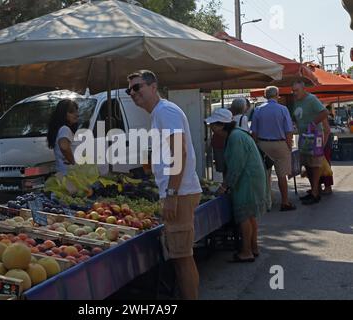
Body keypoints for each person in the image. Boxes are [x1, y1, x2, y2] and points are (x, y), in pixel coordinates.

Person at [127, 70, 202, 300]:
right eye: (129, 90)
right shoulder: (160, 113)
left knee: (182, 258)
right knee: (180, 258)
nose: (132, 93)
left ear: (153, 86)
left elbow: (179, 152)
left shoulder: (165, 111)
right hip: (179, 191)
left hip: (179, 193)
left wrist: (171, 194)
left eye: (137, 87)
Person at [206, 108, 268, 263]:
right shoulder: (237, 134)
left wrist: (225, 186)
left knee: (244, 216)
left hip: (247, 181)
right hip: (251, 178)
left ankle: (246, 251)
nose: (211, 128)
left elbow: (235, 166)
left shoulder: (235, 137)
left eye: (213, 125)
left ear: (221, 125)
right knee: (251, 215)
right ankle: (253, 248)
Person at [251, 86, 296, 211]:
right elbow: (288, 130)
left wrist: (255, 145)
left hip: (263, 144)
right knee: (282, 175)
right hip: (280, 144)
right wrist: (289, 145)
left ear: (265, 96)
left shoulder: (258, 110)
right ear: (277, 95)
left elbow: (254, 131)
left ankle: (266, 202)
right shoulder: (283, 109)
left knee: (265, 175)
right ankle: (285, 202)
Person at [292, 80, 329, 205]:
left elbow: (325, 112)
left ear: (303, 89)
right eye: (293, 91)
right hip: (304, 136)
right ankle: (315, 190)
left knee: (315, 164)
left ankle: (314, 193)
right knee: (307, 163)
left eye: (297, 90)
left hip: (314, 136)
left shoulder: (312, 99)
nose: (294, 93)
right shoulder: (296, 100)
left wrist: (313, 123)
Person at [47, 99, 79, 175]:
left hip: (64, 172)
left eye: (76, 111)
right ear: (63, 114)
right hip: (69, 174)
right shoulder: (65, 129)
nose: (76, 114)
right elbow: (64, 147)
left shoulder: (60, 129)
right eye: (71, 112)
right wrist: (74, 163)